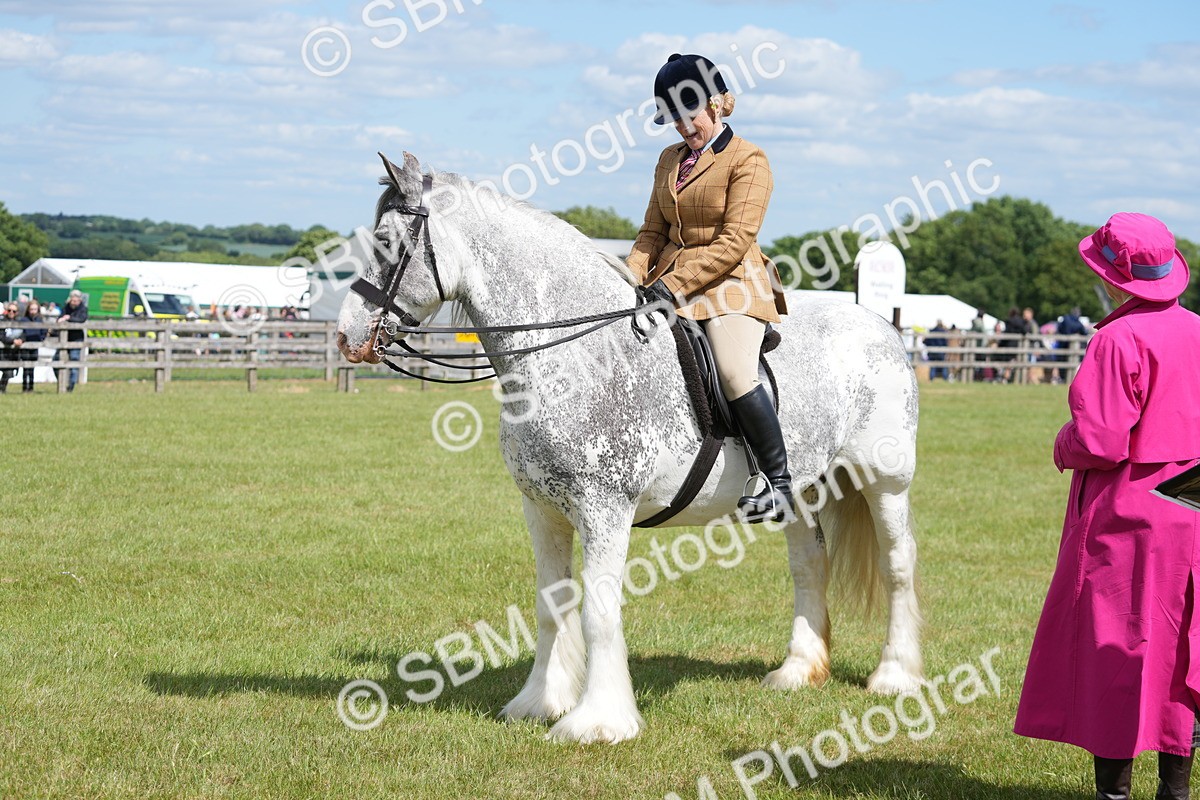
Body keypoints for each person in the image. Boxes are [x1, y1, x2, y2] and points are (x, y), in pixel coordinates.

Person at [1014, 213, 1200, 800]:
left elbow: (1100, 440)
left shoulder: (1116, 339)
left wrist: (1061, 442)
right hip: (1192, 510)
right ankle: (1175, 792)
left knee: (1118, 653)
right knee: (1183, 654)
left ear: (1117, 279)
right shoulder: (1197, 328)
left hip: (1130, 519)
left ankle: (1113, 795)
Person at [626, 52, 790, 523]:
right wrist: (630, 278)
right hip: (667, 283)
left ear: (717, 104)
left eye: (687, 114)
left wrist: (670, 287)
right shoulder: (668, 160)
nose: (680, 126)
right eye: (672, 118)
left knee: (735, 371)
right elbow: (652, 232)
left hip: (732, 283)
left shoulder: (749, 159)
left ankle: (778, 483)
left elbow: (736, 240)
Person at [54, 289, 88, 392]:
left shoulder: (83, 309)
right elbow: (60, 318)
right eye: (72, 300)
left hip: (76, 339)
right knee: (56, 360)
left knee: (74, 362)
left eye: (75, 301)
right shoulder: (66, 307)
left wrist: (68, 318)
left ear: (79, 300)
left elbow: (81, 319)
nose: (73, 303)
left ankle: (71, 386)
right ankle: (62, 382)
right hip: (64, 339)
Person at [12, 299, 46, 392]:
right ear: (28, 309)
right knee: (25, 367)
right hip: (25, 345)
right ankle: (24, 387)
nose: (33, 311)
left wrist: (41, 338)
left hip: (35, 345)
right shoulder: (23, 320)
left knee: (32, 368)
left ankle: (31, 387)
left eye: (35, 309)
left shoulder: (40, 320)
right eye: (31, 309)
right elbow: (20, 332)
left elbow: (44, 331)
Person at [1, 302, 21, 393]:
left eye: (14, 311)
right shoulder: (2, 321)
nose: (11, 312)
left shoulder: (19, 323)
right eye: (9, 310)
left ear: (17, 312)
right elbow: (1, 336)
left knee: (9, 372)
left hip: (12, 352)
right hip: (2, 351)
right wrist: (12, 341)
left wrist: (21, 340)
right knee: (7, 371)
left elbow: (23, 334)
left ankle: (2, 389)